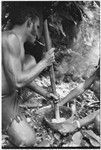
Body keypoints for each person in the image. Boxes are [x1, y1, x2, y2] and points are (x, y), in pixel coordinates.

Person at [2, 7, 57, 147]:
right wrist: (45, 62)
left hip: (11, 96)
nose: (38, 35)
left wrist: (44, 93)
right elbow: (18, 81)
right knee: (27, 141)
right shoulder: (10, 39)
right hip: (3, 99)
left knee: (30, 60)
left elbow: (18, 77)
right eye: (37, 27)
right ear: (29, 22)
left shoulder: (18, 43)